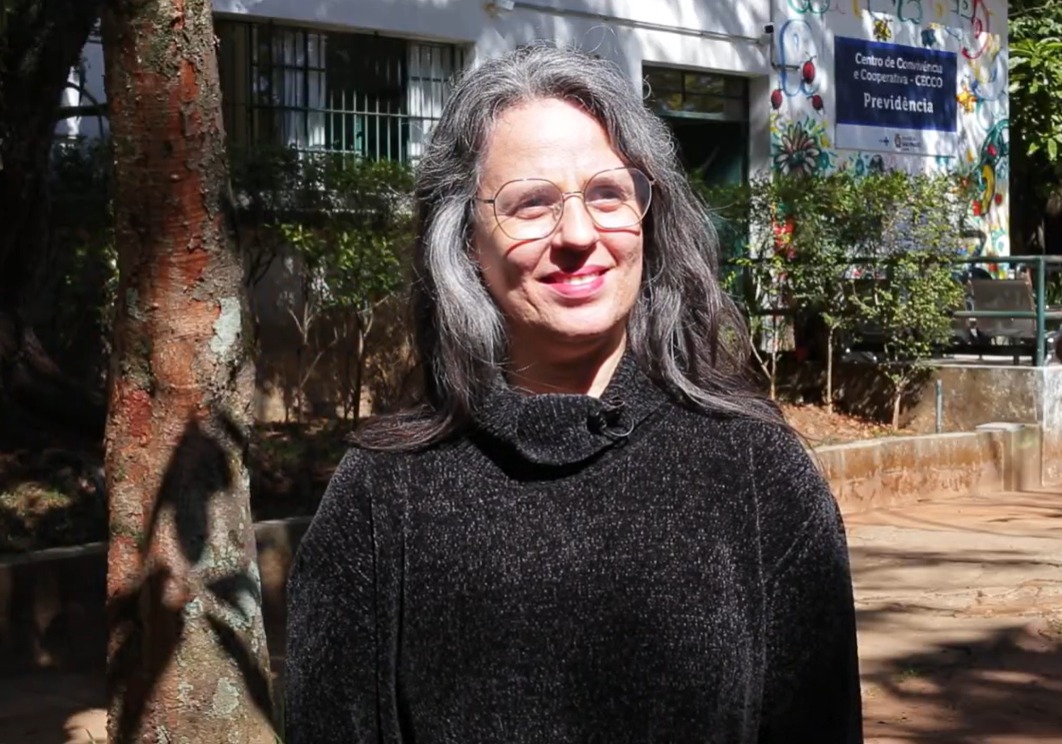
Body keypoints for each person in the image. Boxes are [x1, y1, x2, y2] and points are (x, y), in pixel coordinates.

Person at [284, 43, 863, 743]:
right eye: (531, 204)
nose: (580, 235)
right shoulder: (383, 495)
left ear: (649, 214)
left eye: (608, 193)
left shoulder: (757, 471)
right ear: (466, 238)